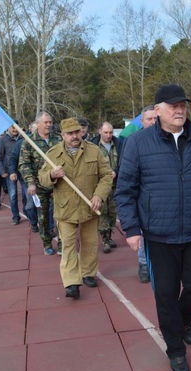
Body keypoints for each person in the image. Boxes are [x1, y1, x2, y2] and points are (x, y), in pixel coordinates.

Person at [114, 84, 191, 371]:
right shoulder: (138, 143)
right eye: (173, 105)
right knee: (165, 294)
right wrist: (131, 228)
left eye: (183, 105)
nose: (180, 110)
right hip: (158, 234)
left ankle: (182, 320)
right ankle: (176, 349)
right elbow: (125, 190)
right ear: (157, 110)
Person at [39, 117, 112, 299]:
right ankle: (71, 282)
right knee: (69, 246)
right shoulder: (53, 154)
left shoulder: (94, 151)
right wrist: (51, 174)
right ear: (62, 135)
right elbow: (42, 178)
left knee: (90, 243)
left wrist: (99, 195)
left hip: (89, 206)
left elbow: (106, 176)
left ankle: (88, 273)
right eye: (70, 133)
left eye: (77, 132)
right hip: (65, 209)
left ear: (82, 132)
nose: (74, 136)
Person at [118, 105, 157, 282]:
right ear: (141, 121)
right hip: (141, 194)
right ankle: (143, 263)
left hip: (160, 195)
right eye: (149, 119)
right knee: (142, 228)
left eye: (155, 118)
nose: (153, 122)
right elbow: (125, 170)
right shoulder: (132, 140)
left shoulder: (168, 139)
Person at [19, 112, 62, 255]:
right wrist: (30, 183)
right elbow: (24, 164)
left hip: (58, 184)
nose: (49, 125)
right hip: (39, 186)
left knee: (61, 216)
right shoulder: (29, 142)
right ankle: (47, 243)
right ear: (38, 124)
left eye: (50, 122)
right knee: (43, 216)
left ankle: (62, 243)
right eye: (46, 122)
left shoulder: (58, 139)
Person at [90, 122, 120, 253]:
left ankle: (110, 234)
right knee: (102, 211)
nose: (108, 135)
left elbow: (124, 160)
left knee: (113, 211)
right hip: (100, 184)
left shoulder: (118, 144)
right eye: (106, 132)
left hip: (115, 183)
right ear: (100, 131)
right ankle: (105, 239)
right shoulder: (93, 146)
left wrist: (116, 172)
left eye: (111, 132)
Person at [9, 122, 38, 233]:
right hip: (27, 179)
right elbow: (13, 159)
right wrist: (12, 172)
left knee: (48, 206)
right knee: (30, 204)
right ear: (30, 129)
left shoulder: (47, 142)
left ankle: (49, 227)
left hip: (45, 178)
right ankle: (34, 222)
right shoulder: (21, 143)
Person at [0, 123, 23, 224]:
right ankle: (16, 216)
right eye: (13, 128)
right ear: (9, 128)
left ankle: (27, 211)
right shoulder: (3, 140)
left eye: (17, 128)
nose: (15, 130)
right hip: (10, 172)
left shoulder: (23, 139)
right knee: (13, 195)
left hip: (23, 171)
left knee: (26, 195)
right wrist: (2, 171)